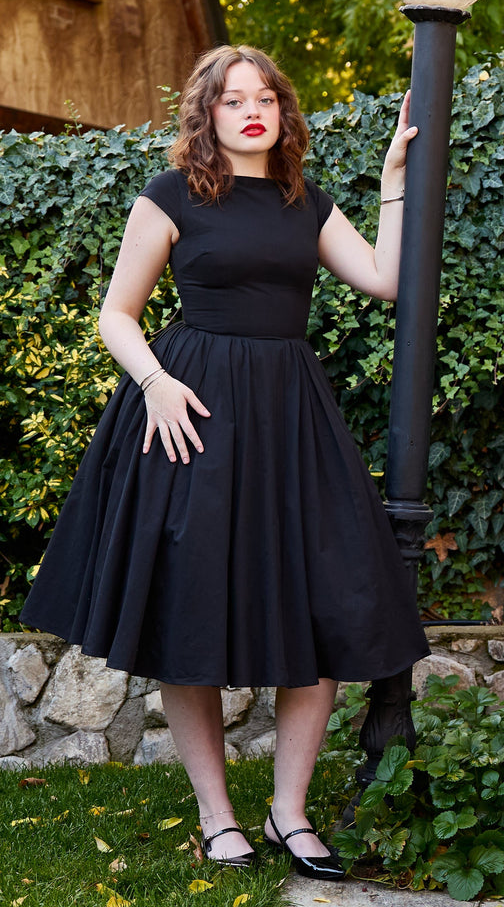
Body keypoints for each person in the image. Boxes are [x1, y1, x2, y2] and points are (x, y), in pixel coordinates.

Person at [21, 45, 429, 877]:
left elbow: (386, 280)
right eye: (232, 99)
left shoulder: (304, 201)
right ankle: (218, 815)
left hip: (288, 415)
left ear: (282, 113)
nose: (251, 109)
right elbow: (117, 314)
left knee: (329, 601)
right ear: (206, 116)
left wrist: (394, 175)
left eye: (265, 97)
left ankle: (289, 813)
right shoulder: (171, 196)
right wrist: (157, 385)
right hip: (191, 412)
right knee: (191, 610)